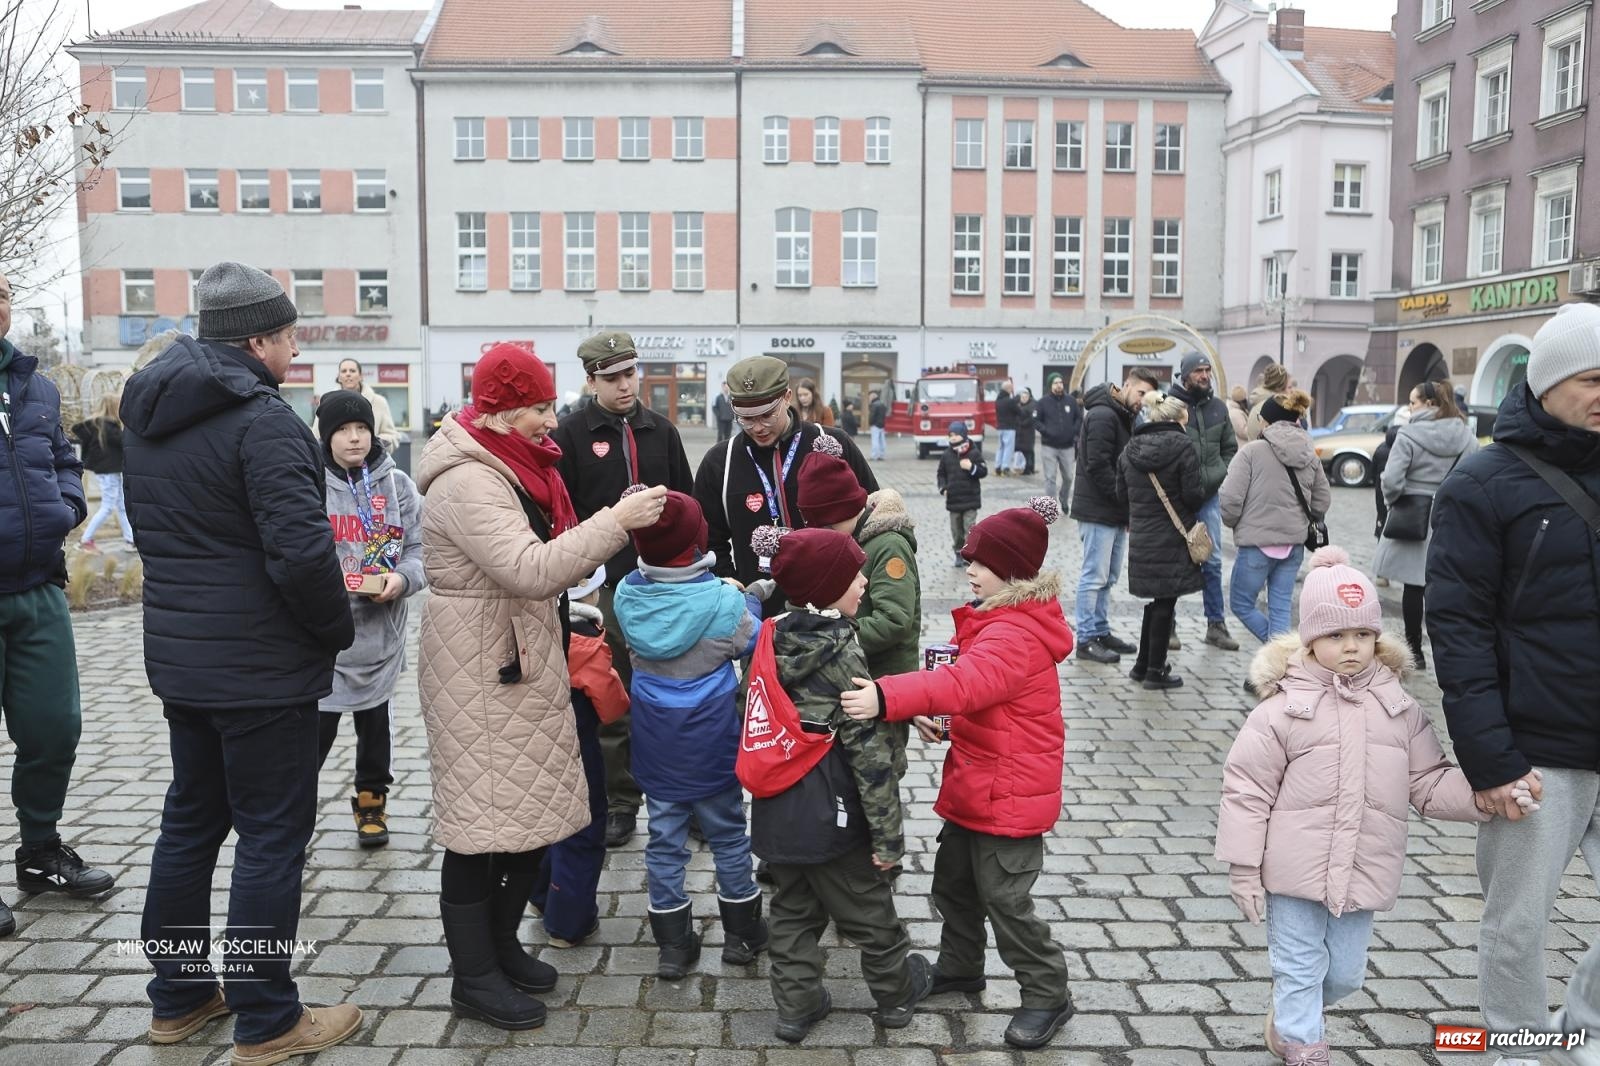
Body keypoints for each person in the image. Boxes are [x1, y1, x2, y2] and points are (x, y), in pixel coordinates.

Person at [121, 262, 361, 1059]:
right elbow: (301, 556)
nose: (297, 350)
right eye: (291, 335)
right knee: (269, 837)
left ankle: (181, 996)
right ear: (258, 339)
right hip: (261, 670)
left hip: (184, 663)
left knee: (190, 823)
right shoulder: (263, 421)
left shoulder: (148, 414)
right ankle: (268, 1018)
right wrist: (335, 632)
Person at [414, 341, 667, 1031]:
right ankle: (474, 978)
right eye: (535, 408)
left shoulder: (516, 464)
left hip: (519, 656)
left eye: (551, 405)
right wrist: (615, 524)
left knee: (525, 819)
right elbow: (529, 569)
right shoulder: (468, 479)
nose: (550, 422)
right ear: (496, 413)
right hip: (479, 665)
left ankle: (501, 951)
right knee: (478, 830)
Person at [1217, 547, 1540, 1066]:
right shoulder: (1282, 710)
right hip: (1292, 871)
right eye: (1335, 636)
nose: (1351, 647)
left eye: (1363, 635)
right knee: (1300, 965)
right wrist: (1243, 867)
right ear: (1310, 639)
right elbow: (1246, 789)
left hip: (1364, 867)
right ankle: (1303, 1042)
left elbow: (1429, 782)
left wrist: (1485, 796)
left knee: (1344, 973)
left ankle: (1289, 1016)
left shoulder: (1399, 709)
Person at [1428, 302, 1600, 1064]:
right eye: (1597, 379)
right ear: (1551, 378)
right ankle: (1519, 1049)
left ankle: (1585, 1028)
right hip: (1534, 747)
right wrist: (1490, 760)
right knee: (1519, 924)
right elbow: (1457, 631)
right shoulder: (1482, 481)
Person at [840, 497, 1075, 1048]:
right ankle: (961, 966)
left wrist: (886, 695)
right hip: (980, 785)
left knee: (1007, 902)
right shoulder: (999, 619)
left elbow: (966, 684)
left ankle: (1047, 992)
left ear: (1012, 572)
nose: (967, 570)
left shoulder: (1013, 633)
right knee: (955, 886)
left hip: (1010, 797)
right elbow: (980, 700)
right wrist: (944, 724)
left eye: (979, 563)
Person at [743, 525, 932, 1042]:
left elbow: (749, 709)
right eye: (854, 577)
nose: (865, 583)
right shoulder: (843, 655)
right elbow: (870, 761)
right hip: (834, 813)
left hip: (779, 808)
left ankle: (796, 1009)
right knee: (871, 913)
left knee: (791, 914)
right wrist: (889, 841)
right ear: (826, 589)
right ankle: (896, 997)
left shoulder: (770, 637)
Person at [612, 490, 770, 980]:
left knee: (663, 840)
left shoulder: (626, 594)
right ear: (697, 541)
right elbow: (754, 639)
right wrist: (750, 597)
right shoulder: (724, 602)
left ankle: (674, 944)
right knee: (727, 835)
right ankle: (743, 932)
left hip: (656, 744)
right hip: (713, 742)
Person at [0, 269, 111, 942]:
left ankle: (40, 854)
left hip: (38, 585)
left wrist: (67, 503)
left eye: (2, 294)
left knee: (54, 728)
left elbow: (64, 459)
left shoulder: (35, 388)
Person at [552, 331, 694, 850]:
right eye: (612, 378)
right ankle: (620, 799)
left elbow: (687, 504)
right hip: (604, 585)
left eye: (630, 374)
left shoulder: (662, 431)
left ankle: (687, 794)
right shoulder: (570, 434)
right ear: (591, 381)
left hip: (667, 583)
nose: (624, 385)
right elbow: (562, 512)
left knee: (679, 692)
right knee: (614, 694)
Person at [315, 389, 426, 848]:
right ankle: (292, 810)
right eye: (343, 430)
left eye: (361, 428)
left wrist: (402, 580)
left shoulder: (396, 485)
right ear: (326, 437)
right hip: (325, 640)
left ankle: (371, 801)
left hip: (382, 636)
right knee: (313, 735)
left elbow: (421, 551)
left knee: (375, 727)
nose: (354, 438)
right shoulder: (310, 482)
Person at [693, 356, 877, 595]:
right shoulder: (720, 462)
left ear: (787, 397)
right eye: (746, 419)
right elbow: (707, 541)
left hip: (834, 603)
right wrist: (734, 590)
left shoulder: (831, 443)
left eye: (767, 415)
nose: (758, 427)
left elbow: (871, 516)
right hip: (758, 611)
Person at [797, 439, 920, 782]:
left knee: (880, 773)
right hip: (854, 679)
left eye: (824, 524)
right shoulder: (849, 538)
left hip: (884, 684)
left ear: (840, 513)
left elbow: (894, 619)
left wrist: (832, 639)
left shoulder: (889, 545)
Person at [530, 564, 628, 949]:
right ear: (591, 595)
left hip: (535, 745)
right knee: (584, 828)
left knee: (543, 822)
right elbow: (611, 703)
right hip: (578, 748)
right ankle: (568, 923)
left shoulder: (532, 629)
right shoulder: (588, 640)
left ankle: (541, 896)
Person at [1372, 379, 1477, 669]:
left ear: (1430, 404)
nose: (1410, 407)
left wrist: (1393, 501)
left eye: (1413, 401)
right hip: (1450, 516)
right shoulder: (1466, 436)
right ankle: (1446, 649)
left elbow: (1392, 481)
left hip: (1413, 516)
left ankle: (1415, 650)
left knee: (1413, 587)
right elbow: (1473, 476)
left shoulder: (1408, 435)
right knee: (1445, 585)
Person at [1219, 390, 1330, 647]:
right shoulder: (1309, 453)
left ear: (1266, 421)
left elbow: (1230, 499)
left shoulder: (1251, 452)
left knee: (1241, 604)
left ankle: (1281, 656)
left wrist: (1235, 522)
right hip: (1293, 545)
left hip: (1257, 545)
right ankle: (1282, 666)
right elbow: (1322, 501)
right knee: (1280, 609)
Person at [1115, 392, 1204, 690]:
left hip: (1143, 536)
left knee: (1157, 601)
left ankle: (1142, 665)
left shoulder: (1130, 449)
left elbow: (1121, 496)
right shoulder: (1183, 446)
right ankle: (1155, 670)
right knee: (1166, 601)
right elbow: (1193, 495)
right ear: (1179, 419)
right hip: (1173, 536)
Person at [1071, 368, 1160, 664]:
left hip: (1115, 511)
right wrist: (1124, 496)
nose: (1143, 400)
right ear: (1126, 386)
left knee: (1108, 576)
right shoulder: (1103, 415)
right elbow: (1097, 465)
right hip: (1098, 509)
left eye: (1148, 395)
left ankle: (1100, 630)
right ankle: (1085, 639)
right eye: (1141, 393)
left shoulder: (1124, 416)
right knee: (1093, 576)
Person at [1167, 352, 1241, 651]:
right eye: (1198, 370)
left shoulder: (1218, 408)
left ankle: (1216, 625)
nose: (1204, 375)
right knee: (1172, 564)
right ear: (1185, 374)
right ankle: (1167, 625)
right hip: (1175, 500)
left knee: (1211, 562)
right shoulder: (1170, 406)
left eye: (1207, 370)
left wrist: (1216, 475)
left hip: (1208, 497)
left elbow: (1229, 448)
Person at [71, 390, 135, 553]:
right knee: (108, 506)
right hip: (110, 472)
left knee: (120, 505)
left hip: (108, 471)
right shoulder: (109, 428)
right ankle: (85, 540)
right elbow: (125, 444)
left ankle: (130, 540)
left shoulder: (96, 426)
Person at [311, 358, 400, 452]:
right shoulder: (327, 403)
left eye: (352, 371)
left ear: (361, 376)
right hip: (333, 463)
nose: (348, 374)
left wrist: (374, 445)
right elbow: (316, 437)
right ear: (339, 377)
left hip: (370, 463)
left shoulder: (378, 402)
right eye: (344, 371)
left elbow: (392, 436)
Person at [938, 421, 987, 568]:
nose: (953, 438)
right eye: (950, 435)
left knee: (969, 529)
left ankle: (969, 554)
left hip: (970, 499)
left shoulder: (973, 452)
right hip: (953, 500)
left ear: (964, 435)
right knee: (956, 531)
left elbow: (983, 471)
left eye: (956, 435)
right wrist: (943, 487)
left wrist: (972, 467)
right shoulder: (947, 454)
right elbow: (941, 474)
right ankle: (958, 552)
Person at [1034, 374, 1081, 513]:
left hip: (1067, 446)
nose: (1059, 385)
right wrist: (1046, 431)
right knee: (1050, 478)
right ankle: (1051, 506)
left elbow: (1079, 418)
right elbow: (1036, 421)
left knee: (1068, 476)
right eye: (1055, 383)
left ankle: (1064, 498)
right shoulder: (1042, 402)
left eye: (1060, 382)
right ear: (1050, 385)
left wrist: (1074, 431)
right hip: (1049, 446)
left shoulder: (1071, 401)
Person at [1245, 363, 1291, 442]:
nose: (1291, 391)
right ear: (1280, 387)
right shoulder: (1275, 408)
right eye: (1289, 387)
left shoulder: (1258, 404)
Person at [993, 378, 1019, 476]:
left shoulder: (998, 401)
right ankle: (1005, 467)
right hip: (1009, 427)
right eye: (1011, 389)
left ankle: (997, 466)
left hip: (1000, 427)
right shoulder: (1010, 401)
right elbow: (1018, 411)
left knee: (1000, 447)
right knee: (1008, 448)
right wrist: (1016, 400)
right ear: (1008, 389)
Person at [1014, 387, 1037, 474]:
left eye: (1025, 397)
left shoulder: (1031, 405)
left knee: (1028, 451)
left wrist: (1022, 423)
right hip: (1021, 433)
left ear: (1028, 397)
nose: (1023, 399)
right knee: (1026, 451)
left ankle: (1028, 469)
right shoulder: (1020, 405)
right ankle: (1029, 468)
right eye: (1022, 398)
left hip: (1028, 432)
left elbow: (1032, 418)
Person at [868, 389, 889, 461]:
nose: (869, 399)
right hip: (881, 425)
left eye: (870, 397)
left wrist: (870, 423)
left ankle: (874, 456)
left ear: (873, 397)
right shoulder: (882, 404)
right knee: (882, 441)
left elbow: (872, 416)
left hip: (875, 425)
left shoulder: (874, 405)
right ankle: (882, 455)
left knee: (875, 441)